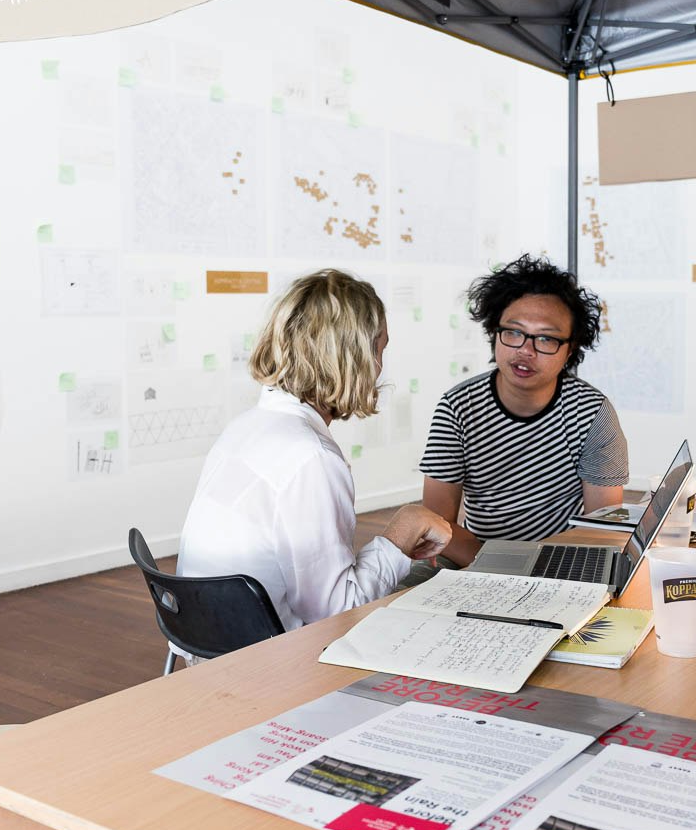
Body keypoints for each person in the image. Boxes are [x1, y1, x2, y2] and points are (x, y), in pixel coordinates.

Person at [178, 269, 450, 629]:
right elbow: (336, 612)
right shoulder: (311, 456)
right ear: (354, 358)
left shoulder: (245, 427)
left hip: (203, 638)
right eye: (380, 351)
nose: (380, 368)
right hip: (265, 660)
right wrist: (403, 529)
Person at [420, 254, 628, 566]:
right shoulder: (458, 406)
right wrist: (503, 567)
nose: (525, 351)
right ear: (495, 331)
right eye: (514, 332)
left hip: (563, 561)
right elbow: (437, 526)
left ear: (570, 349)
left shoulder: (591, 412)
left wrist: (542, 570)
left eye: (546, 338)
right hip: (476, 557)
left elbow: (603, 528)